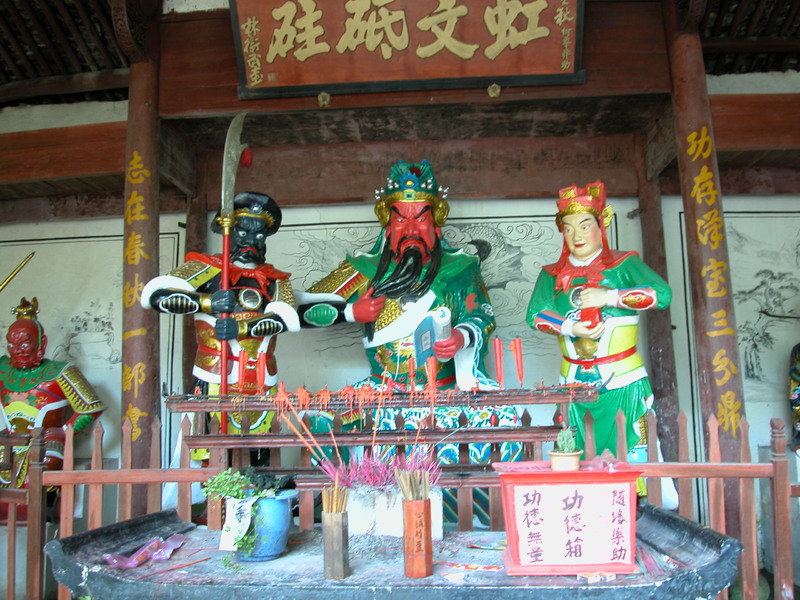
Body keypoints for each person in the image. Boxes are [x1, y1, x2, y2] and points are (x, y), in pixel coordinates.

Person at [298, 159, 516, 468]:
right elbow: (304, 310)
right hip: (381, 392)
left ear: (436, 225)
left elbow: (482, 315)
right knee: (320, 423)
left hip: (444, 392)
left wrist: (461, 336)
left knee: (505, 419)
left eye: (420, 219)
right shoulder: (364, 269)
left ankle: (471, 509)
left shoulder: (460, 269)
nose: (410, 228)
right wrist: (351, 312)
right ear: (387, 226)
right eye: (400, 219)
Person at [526, 181, 672, 461]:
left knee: (632, 444)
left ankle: (636, 501)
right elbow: (534, 315)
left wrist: (610, 297)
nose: (576, 235)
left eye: (584, 226)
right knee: (576, 450)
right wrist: (570, 327)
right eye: (567, 228)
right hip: (572, 377)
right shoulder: (551, 274)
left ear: (601, 225)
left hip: (621, 376)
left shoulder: (624, 264)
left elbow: (662, 295)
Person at [141, 191, 300, 437]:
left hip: (261, 378)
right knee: (208, 444)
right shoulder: (206, 268)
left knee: (260, 448)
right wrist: (209, 302)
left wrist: (243, 329)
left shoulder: (275, 280)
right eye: (243, 232)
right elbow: (157, 296)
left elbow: (285, 318)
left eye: (259, 235)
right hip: (213, 373)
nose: (251, 241)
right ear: (230, 232)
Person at [0, 297, 105, 515]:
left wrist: (65, 431)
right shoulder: (2, 369)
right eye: (12, 343)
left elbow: (91, 407)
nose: (17, 349)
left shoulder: (61, 372)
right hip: (8, 439)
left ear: (42, 343)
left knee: (38, 478)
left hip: (45, 440)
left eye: (25, 343)